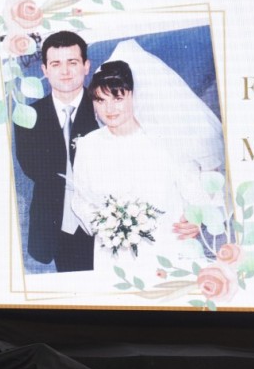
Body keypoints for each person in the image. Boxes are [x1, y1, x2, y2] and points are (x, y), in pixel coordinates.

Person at [71, 60, 205, 287]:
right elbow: (80, 198)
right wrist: (103, 223)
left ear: (134, 96)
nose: (109, 109)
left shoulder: (164, 141)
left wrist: (196, 219)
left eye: (118, 98)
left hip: (166, 246)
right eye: (100, 100)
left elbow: (196, 193)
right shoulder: (87, 146)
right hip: (114, 253)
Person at [14, 31, 99, 273]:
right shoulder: (27, 116)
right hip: (56, 222)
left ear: (86, 66)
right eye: (56, 64)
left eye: (72, 62)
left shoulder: (104, 109)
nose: (65, 71)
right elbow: (33, 168)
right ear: (44, 70)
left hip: (102, 220)